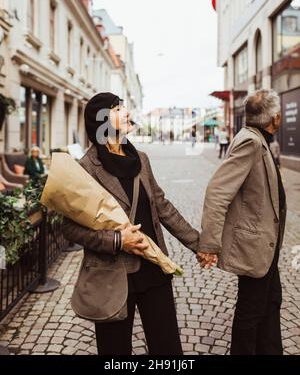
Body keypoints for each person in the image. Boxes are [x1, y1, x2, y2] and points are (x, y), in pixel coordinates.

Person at [62, 92, 202, 356]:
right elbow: (68, 227)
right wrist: (117, 241)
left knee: (168, 349)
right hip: (112, 276)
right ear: (101, 120)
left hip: (154, 268)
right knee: (115, 352)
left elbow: (163, 207)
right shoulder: (86, 169)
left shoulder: (141, 159)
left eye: (124, 107)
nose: (126, 112)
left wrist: (198, 244)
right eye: (117, 108)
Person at [197, 89, 286, 355]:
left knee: (270, 303)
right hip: (254, 248)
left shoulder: (261, 140)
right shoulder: (251, 142)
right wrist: (210, 244)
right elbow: (217, 192)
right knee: (251, 312)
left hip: (265, 247)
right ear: (276, 119)